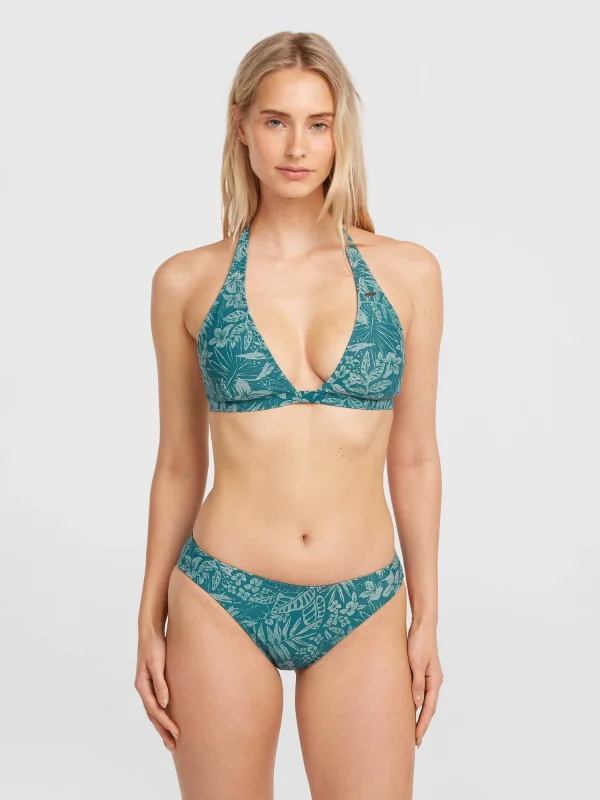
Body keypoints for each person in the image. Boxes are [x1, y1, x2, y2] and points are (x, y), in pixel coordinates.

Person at [135, 30, 444, 800]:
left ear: (341, 133)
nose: (297, 146)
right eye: (276, 121)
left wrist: (427, 617)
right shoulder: (185, 282)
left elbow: (414, 456)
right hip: (220, 599)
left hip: (363, 601)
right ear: (241, 125)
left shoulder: (408, 274)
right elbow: (179, 462)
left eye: (318, 123)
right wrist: (147, 618)